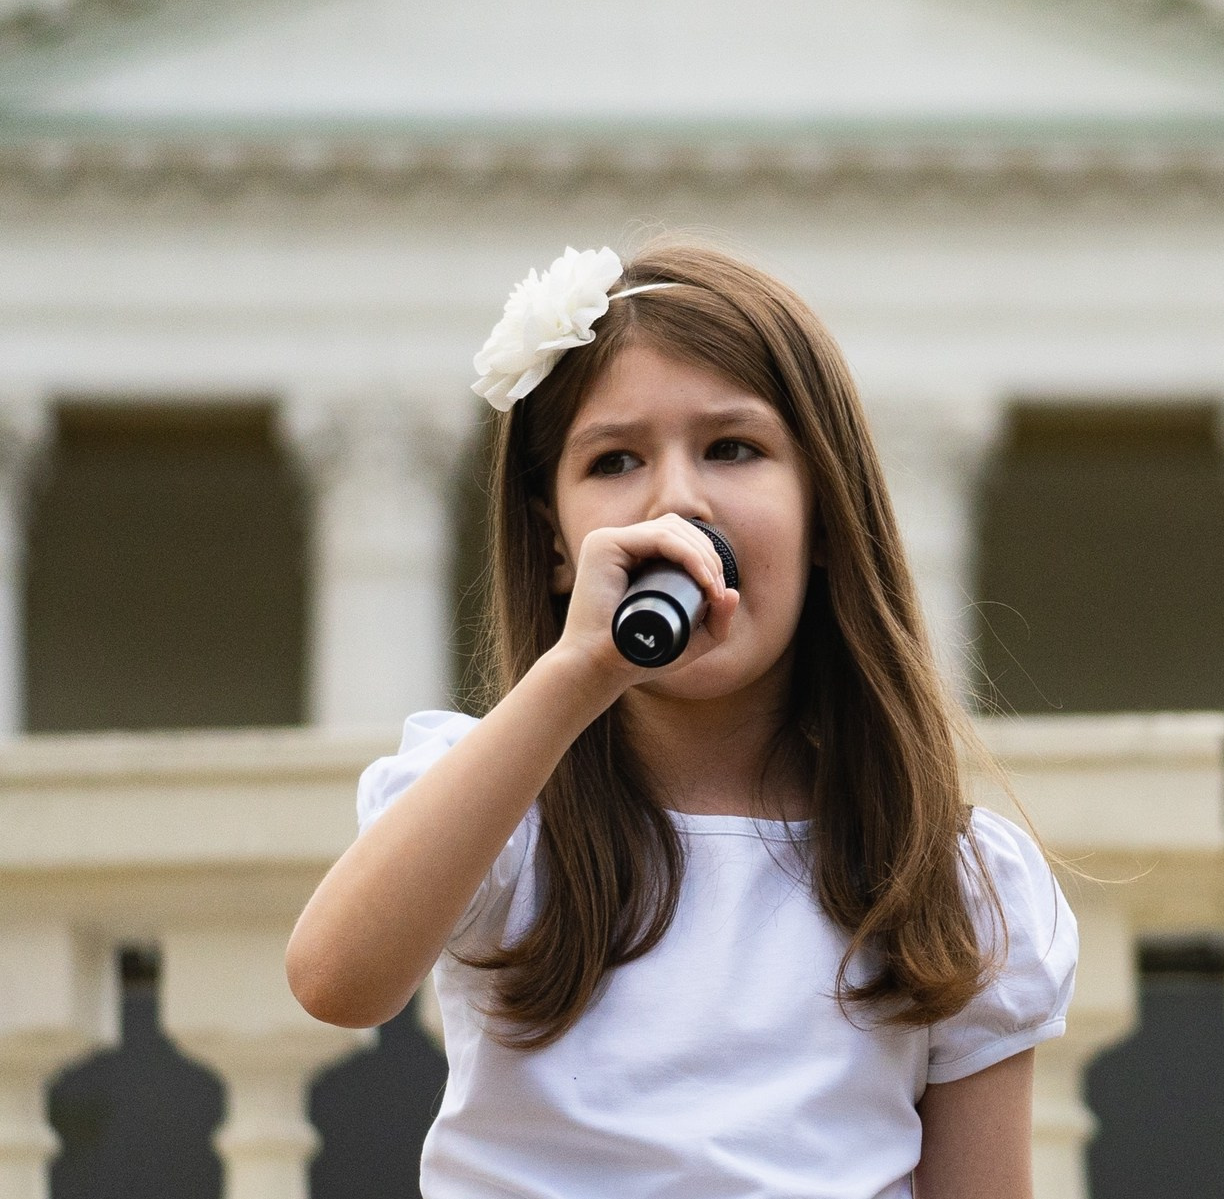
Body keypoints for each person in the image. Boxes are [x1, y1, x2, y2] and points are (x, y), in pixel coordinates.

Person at [286, 241, 1075, 1199]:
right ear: (556, 546)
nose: (676, 501)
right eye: (616, 460)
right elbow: (337, 979)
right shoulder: (504, 807)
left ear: (826, 515)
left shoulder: (944, 876)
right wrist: (574, 677)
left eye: (731, 448)